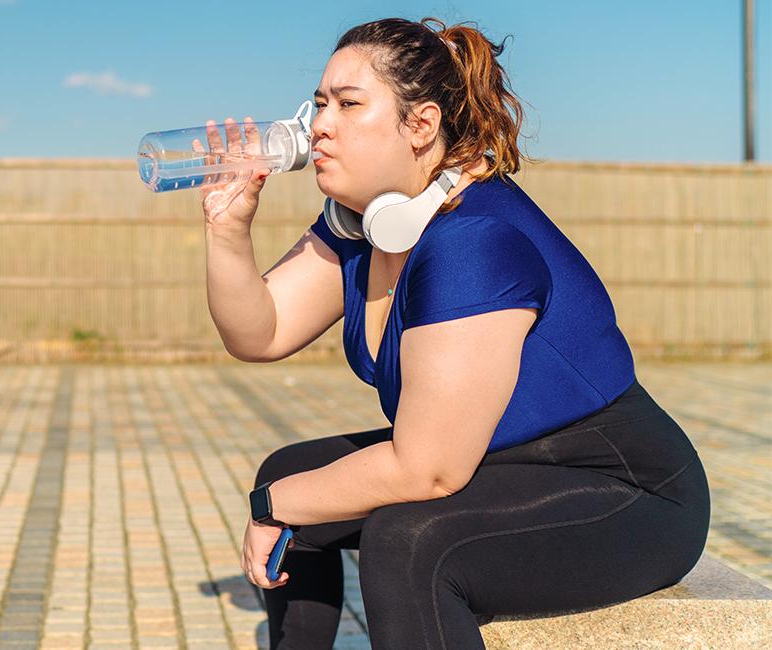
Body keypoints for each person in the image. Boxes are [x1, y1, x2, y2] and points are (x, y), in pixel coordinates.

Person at [198, 16, 711, 650]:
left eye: (349, 104)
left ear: (421, 125)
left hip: (626, 492)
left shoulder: (472, 242)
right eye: (320, 103)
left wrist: (275, 506)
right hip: (503, 462)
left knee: (410, 542)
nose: (319, 125)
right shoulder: (362, 224)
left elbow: (430, 472)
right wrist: (228, 233)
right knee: (294, 471)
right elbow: (261, 333)